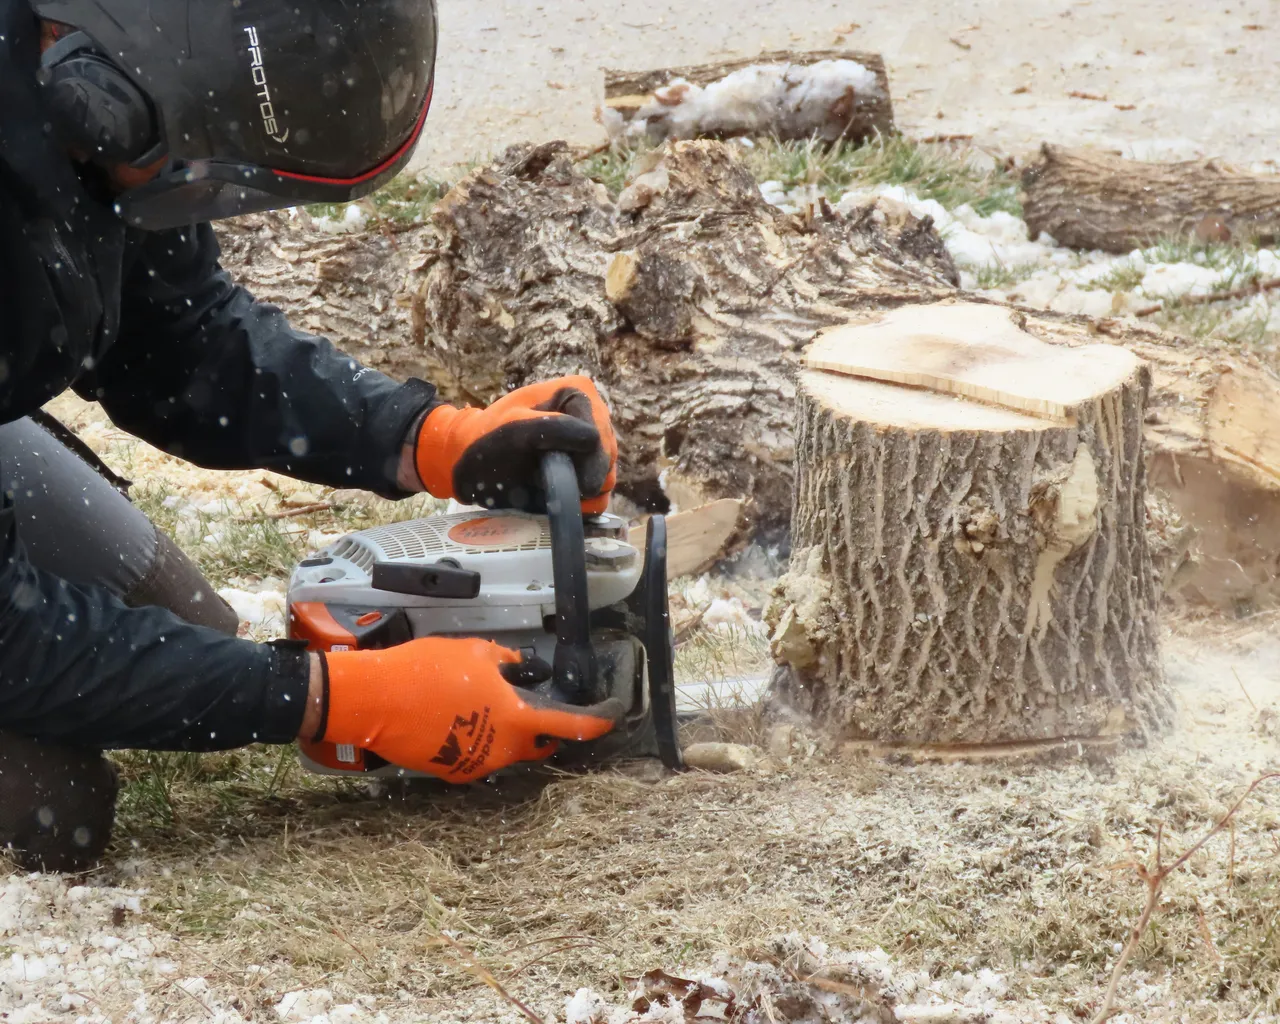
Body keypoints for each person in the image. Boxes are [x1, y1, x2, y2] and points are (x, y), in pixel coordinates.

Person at [0, 0, 623, 873]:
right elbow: (12, 644)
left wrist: (426, 437)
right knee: (49, 804)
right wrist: (324, 698)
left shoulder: (83, 112)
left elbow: (179, 343)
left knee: (180, 623)